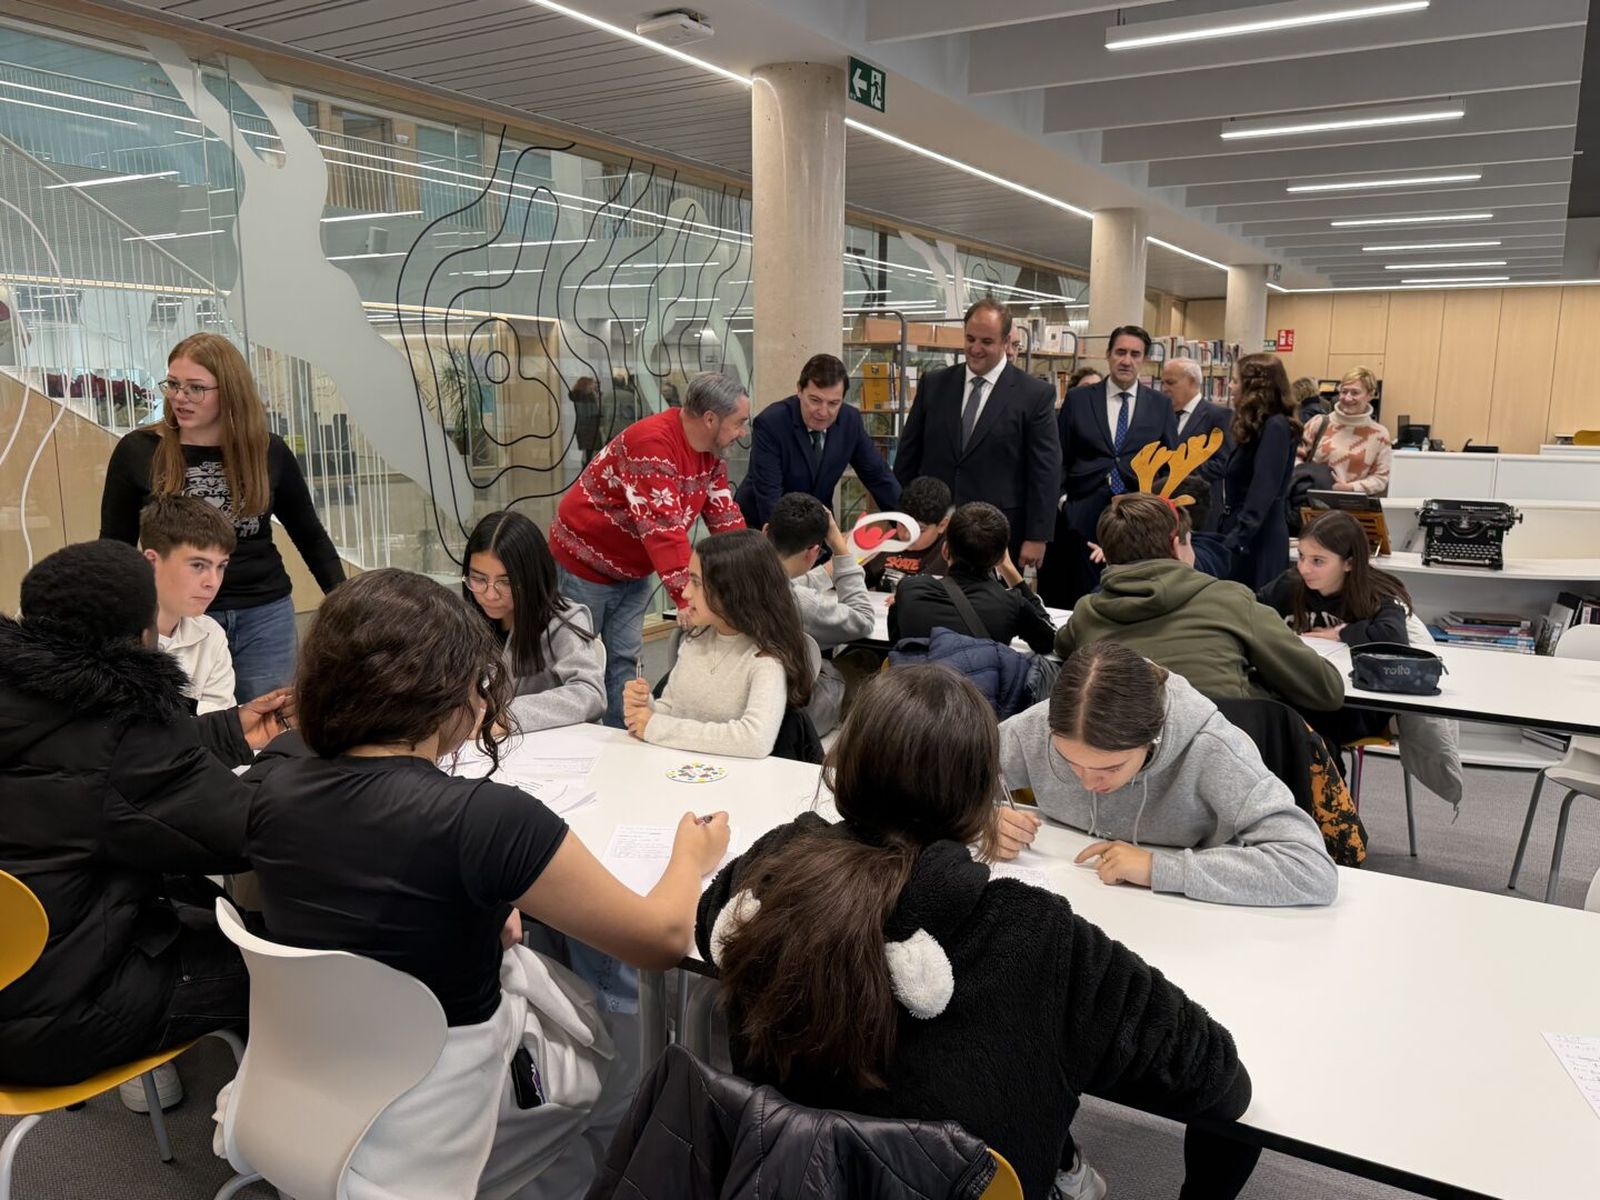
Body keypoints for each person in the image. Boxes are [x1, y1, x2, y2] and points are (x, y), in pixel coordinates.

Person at [238, 569, 730, 1198]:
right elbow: (661, 938)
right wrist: (691, 856)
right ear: (452, 692)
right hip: (442, 1104)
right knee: (610, 1077)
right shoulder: (483, 819)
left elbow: (371, 888)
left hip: (308, 1080)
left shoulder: (272, 788)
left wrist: (475, 906)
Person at [696, 665, 1258, 1200]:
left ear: (842, 762)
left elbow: (708, 929)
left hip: (783, 1178)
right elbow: (1220, 1081)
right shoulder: (1038, 935)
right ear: (982, 797)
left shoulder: (770, 871)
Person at [0, 540, 289, 1095]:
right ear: (141, 634)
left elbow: (85, 768)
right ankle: (286, 1137)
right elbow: (251, 832)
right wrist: (312, 764)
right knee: (288, 958)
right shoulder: (129, 729)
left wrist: (227, 731)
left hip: (18, 982)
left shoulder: (30, 702)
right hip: (58, 1020)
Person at [994, 642, 1337, 907]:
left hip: (1184, 925)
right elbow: (944, 777)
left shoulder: (1212, 749)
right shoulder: (1039, 727)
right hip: (1071, 905)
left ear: (1152, 738)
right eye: (1070, 761)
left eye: (1111, 768)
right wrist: (980, 820)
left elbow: (1310, 869)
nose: (1086, 783)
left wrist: (1157, 868)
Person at [100, 332, 344, 701]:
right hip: (176, 617)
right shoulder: (139, 451)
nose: (180, 397)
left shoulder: (267, 450)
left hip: (263, 612)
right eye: (174, 384)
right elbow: (114, 547)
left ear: (228, 391)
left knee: (267, 724)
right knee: (188, 724)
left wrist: (345, 602)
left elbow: (309, 534)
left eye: (196, 388)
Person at [551, 371, 748, 727]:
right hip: (585, 562)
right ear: (710, 418)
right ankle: (566, 741)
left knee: (625, 659)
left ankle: (619, 740)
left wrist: (751, 572)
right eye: (739, 423)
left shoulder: (710, 454)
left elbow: (725, 516)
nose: (742, 432)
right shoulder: (652, 444)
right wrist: (688, 600)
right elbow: (664, 531)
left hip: (633, 568)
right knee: (575, 660)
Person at [1056, 494, 1343, 715]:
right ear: (1175, 545)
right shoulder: (1231, 601)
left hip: (1124, 771)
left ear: (1108, 554)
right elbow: (1326, 689)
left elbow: (1061, 645)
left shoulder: (1088, 613)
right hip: (1224, 773)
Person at [892, 298, 1060, 570]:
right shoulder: (935, 385)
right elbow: (908, 455)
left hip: (996, 531)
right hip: (933, 529)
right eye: (970, 339)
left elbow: (1045, 470)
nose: (975, 349)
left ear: (1006, 342)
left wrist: (1037, 535)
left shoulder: (1034, 395)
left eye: (986, 342)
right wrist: (899, 514)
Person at [623, 530, 813, 759]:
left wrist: (655, 727)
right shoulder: (695, 641)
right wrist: (646, 708)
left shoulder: (766, 659)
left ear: (731, 592)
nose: (685, 592)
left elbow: (754, 740)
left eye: (696, 583)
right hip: (687, 770)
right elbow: (673, 711)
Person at [1258, 509, 1413, 746]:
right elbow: (1249, 610)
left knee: (1295, 727)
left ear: (1349, 563)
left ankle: (1322, 777)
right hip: (1299, 691)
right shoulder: (1291, 584)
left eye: (1317, 561)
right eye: (1301, 556)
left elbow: (1393, 638)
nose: (1304, 568)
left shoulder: (1374, 594)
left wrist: (1341, 633)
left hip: (1352, 705)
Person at [1048, 325, 1176, 608]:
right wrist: (1063, 501)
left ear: (1144, 360)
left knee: (1126, 598)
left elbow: (1169, 463)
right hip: (1080, 513)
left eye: (1134, 354)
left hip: (1136, 519)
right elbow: (1060, 455)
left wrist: (1156, 507)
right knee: (1078, 596)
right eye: (1120, 352)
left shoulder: (1160, 405)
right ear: (1108, 355)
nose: (1126, 360)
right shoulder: (1080, 399)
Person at [463, 510, 605, 732]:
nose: (490, 594)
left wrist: (507, 717)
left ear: (530, 577)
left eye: (506, 582)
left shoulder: (563, 621)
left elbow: (590, 694)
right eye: (479, 579)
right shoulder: (467, 621)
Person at [735, 353, 901, 528]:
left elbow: (878, 476)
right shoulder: (771, 423)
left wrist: (907, 523)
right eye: (815, 400)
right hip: (763, 526)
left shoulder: (849, 420)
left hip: (816, 523)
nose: (823, 412)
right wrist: (790, 549)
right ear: (799, 390)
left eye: (833, 403)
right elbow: (769, 495)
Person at [765, 493, 875, 735]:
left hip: (749, 695)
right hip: (796, 713)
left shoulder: (739, 576)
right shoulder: (800, 604)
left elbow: (784, 583)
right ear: (814, 551)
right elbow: (863, 619)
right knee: (866, 658)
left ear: (765, 531)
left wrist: (826, 572)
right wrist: (841, 549)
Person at [889, 501, 1055, 655]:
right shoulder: (1010, 604)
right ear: (999, 559)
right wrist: (1010, 569)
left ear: (945, 550)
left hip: (917, 685)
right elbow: (1049, 641)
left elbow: (896, 644)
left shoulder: (910, 590)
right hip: (978, 687)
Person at [140, 493, 238, 714]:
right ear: (152, 561)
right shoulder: (110, 637)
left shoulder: (211, 633)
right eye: (198, 565)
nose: (213, 582)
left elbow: (220, 724)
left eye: (221, 566)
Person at [1220, 353, 1300, 591]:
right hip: (1249, 532)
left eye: (1235, 381)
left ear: (1255, 387)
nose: (1231, 387)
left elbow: (1263, 489)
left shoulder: (1276, 427)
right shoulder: (1261, 426)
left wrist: (1238, 536)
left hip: (1257, 538)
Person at [1297, 367, 1393, 496]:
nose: (1347, 398)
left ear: (1370, 395)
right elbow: (1295, 457)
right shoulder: (1318, 423)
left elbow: (1380, 478)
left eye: (1355, 393)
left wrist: (1351, 488)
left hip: (1352, 507)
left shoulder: (1380, 434)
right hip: (1310, 503)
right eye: (1344, 391)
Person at [1160, 358, 1232, 528]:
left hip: (1199, 511)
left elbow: (1223, 463)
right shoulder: (1162, 414)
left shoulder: (1218, 416)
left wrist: (1181, 467)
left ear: (1192, 381)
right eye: (1163, 383)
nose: (1164, 389)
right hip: (1165, 509)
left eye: (1171, 383)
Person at [862, 475, 952, 592]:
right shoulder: (888, 545)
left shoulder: (951, 554)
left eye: (920, 529)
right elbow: (846, 586)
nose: (907, 536)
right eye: (903, 524)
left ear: (942, 525)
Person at [570, 375, 604, 467]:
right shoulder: (587, 396)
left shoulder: (580, 396)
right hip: (590, 429)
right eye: (593, 383)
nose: (595, 385)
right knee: (590, 453)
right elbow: (593, 411)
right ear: (586, 385)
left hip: (585, 428)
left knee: (588, 453)